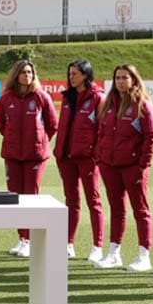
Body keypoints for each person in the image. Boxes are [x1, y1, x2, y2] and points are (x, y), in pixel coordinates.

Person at [93, 64, 153, 271]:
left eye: (125, 78)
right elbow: (101, 133)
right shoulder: (108, 103)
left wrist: (143, 164)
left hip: (133, 167)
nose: (121, 81)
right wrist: (100, 157)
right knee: (116, 209)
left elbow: (151, 137)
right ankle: (113, 253)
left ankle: (144, 255)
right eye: (118, 78)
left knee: (140, 210)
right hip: (109, 165)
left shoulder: (142, 105)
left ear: (133, 80)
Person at [0, 59, 57, 257]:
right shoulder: (6, 98)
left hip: (35, 155)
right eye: (23, 72)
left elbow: (52, 124)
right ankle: (22, 238)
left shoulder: (41, 97)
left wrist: (38, 140)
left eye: (30, 72)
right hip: (13, 154)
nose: (27, 75)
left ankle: (30, 239)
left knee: (31, 196)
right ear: (16, 75)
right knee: (15, 197)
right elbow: (1, 125)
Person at [54, 59, 105, 261]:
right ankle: (68, 243)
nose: (71, 76)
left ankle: (97, 246)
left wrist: (95, 152)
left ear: (85, 75)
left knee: (93, 200)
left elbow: (102, 129)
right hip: (67, 157)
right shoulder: (68, 97)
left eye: (75, 73)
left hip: (87, 158)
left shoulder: (98, 98)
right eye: (70, 73)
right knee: (71, 201)